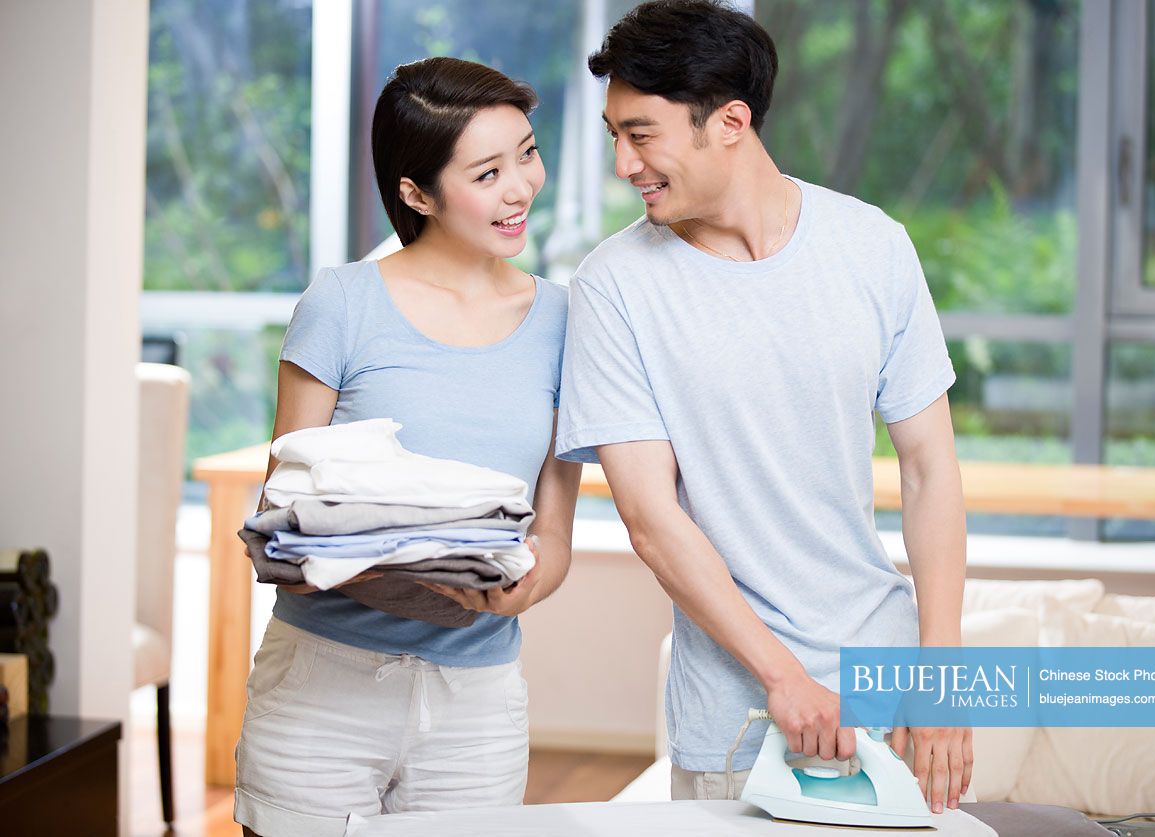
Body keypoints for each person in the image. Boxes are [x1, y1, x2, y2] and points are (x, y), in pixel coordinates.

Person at [556, 0, 972, 815]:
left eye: (640, 134)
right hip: (735, 712)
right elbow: (650, 518)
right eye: (614, 136)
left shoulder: (872, 246)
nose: (622, 163)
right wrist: (785, 676)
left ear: (731, 122)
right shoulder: (614, 287)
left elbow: (929, 470)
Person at [234, 57, 581, 836]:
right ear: (416, 192)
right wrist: (393, 556)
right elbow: (280, 510)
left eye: (526, 153)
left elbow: (552, 531)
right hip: (323, 686)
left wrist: (525, 586)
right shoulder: (342, 304)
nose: (521, 187)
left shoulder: (566, 321)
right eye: (486, 173)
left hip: (477, 701)